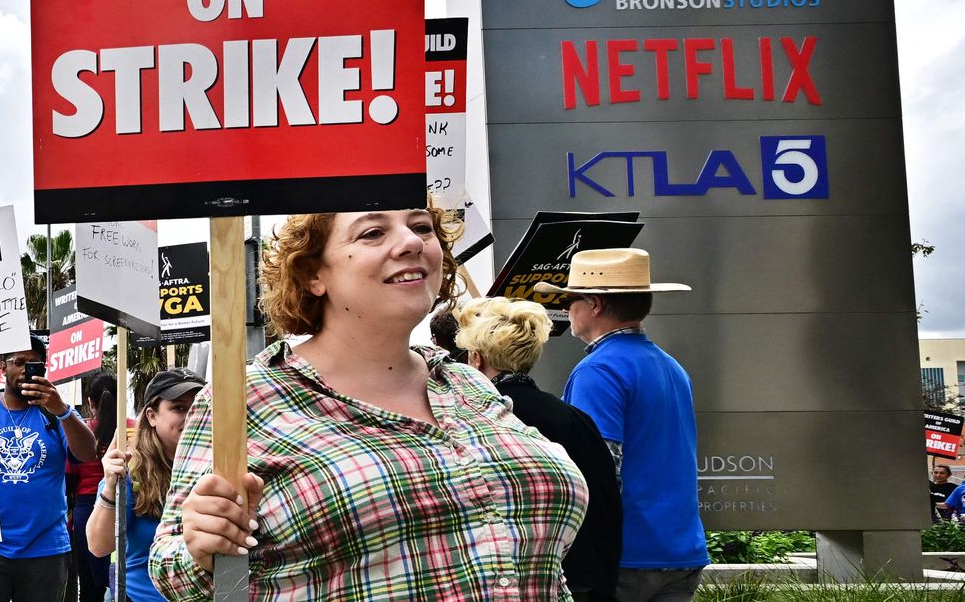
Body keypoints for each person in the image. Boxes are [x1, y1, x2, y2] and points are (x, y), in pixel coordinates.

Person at [149, 207, 588, 601]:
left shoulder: (468, 385)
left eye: (421, 227)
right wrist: (203, 551)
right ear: (312, 275)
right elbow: (183, 580)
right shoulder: (246, 399)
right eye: (373, 233)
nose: (413, 241)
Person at [534, 247, 708, 602]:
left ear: (594, 304)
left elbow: (597, 468)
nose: (568, 310)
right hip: (681, 547)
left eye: (572, 300)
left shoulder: (599, 370)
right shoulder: (670, 365)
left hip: (626, 555)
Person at [456, 296, 622, 602]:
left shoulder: (472, 422)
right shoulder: (576, 419)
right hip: (585, 577)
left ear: (477, 359)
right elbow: (607, 501)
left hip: (511, 583)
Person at [0, 334, 99, 601]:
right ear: (4, 368)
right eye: (20, 361)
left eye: (35, 363)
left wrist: (60, 409)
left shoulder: (56, 412)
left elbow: (87, 453)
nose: (26, 368)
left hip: (45, 548)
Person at [87, 369, 205, 602]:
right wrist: (110, 486)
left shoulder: (222, 465)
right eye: (179, 408)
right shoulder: (130, 469)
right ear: (151, 416)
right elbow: (99, 546)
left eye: (199, 406)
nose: (192, 416)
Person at [69, 373, 115, 602]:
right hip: (127, 506)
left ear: (90, 402)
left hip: (87, 511)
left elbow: (69, 476)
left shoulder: (82, 433)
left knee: (88, 585)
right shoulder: (133, 429)